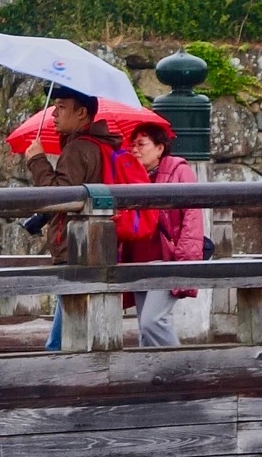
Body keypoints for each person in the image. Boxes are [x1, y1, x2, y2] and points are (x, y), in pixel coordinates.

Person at [23, 88, 117, 354]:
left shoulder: (78, 148)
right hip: (98, 244)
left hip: (75, 247)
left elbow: (59, 197)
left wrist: (37, 160)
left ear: (82, 113)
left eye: (62, 107)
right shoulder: (102, 145)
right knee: (76, 322)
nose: (54, 113)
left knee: (62, 337)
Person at [118, 118, 199, 348]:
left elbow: (192, 219)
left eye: (141, 144)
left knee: (152, 322)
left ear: (160, 148)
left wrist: (185, 261)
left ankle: (182, 369)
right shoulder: (131, 175)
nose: (134, 149)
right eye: (132, 144)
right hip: (137, 258)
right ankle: (155, 378)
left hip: (166, 257)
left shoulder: (179, 171)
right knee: (145, 331)